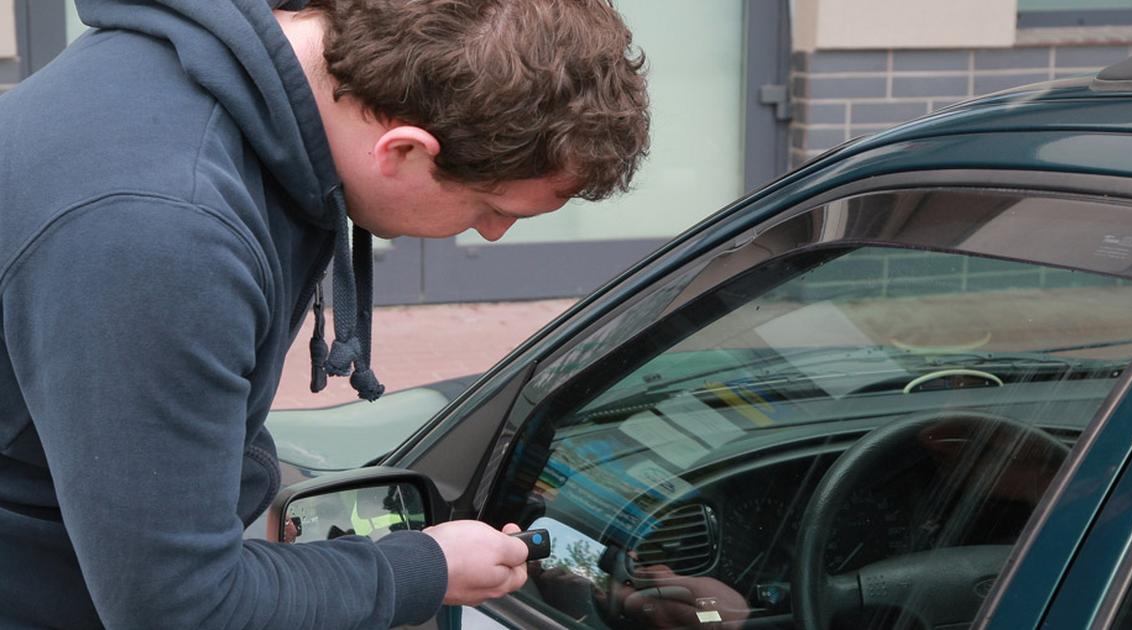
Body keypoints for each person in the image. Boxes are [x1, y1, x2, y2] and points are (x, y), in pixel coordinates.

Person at [0, 0, 649, 627]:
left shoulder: (209, 76)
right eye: (492, 208)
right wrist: (425, 569)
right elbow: (183, 607)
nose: (494, 235)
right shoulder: (162, 234)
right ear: (402, 151)